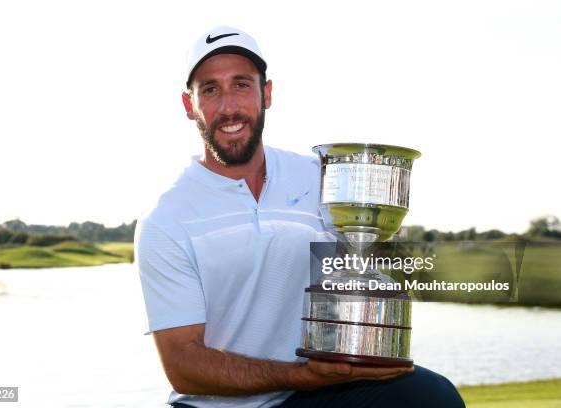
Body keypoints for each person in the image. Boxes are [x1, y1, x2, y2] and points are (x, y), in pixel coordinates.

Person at [136, 26, 465, 408]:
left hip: (308, 394)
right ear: (189, 104)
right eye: (210, 89)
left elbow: (362, 265)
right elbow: (182, 365)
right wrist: (302, 376)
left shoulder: (322, 178)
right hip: (215, 405)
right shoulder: (166, 219)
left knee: (431, 395)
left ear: (267, 93)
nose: (228, 107)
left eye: (241, 85)